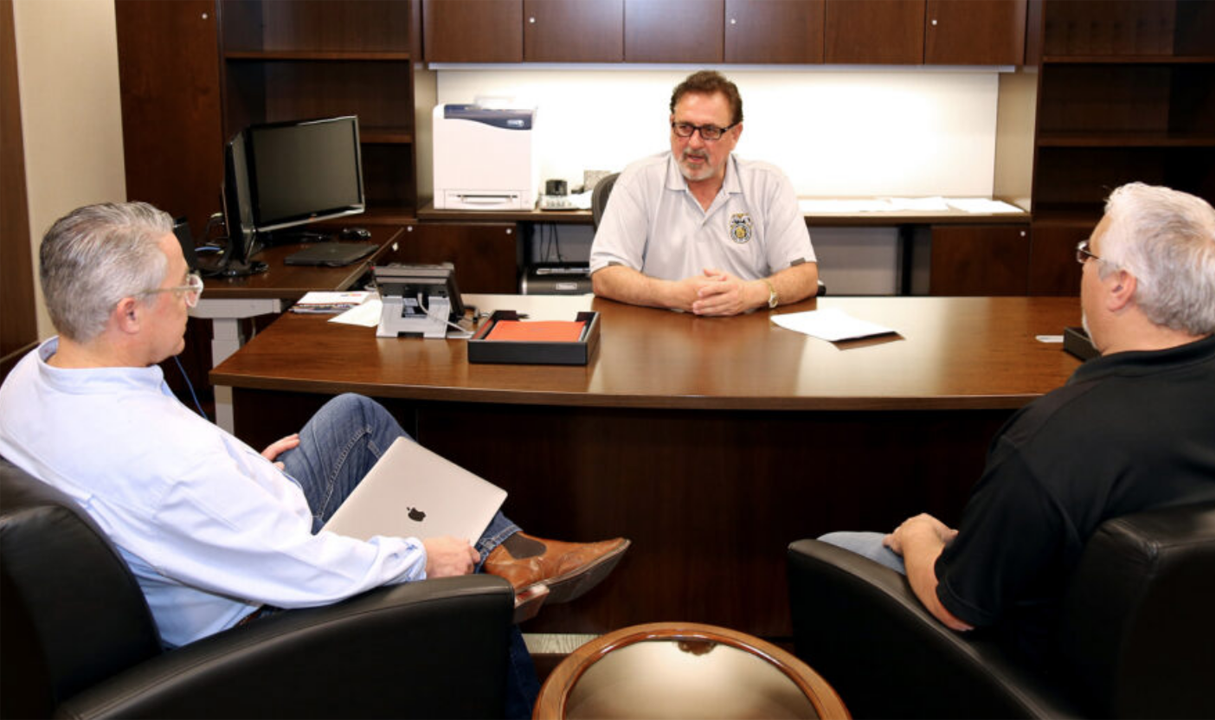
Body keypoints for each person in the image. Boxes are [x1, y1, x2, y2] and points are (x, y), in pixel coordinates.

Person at [0, 201, 631, 717]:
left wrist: (241, 471)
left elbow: (172, 498)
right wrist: (422, 559)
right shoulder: (168, 464)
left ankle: (510, 547)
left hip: (222, 535)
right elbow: (299, 567)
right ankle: (506, 584)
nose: (194, 294)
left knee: (352, 415)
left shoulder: (30, 377)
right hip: (253, 622)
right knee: (469, 590)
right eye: (183, 284)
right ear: (128, 313)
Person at [818, 182, 1215, 665]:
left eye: (1088, 254)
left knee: (834, 549)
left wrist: (917, 535)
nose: (1083, 267)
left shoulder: (1055, 436)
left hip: (1056, 676)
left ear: (1120, 286)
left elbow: (959, 608)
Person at [589, 70, 819, 316]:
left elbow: (805, 276)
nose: (694, 143)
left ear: (735, 135)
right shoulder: (639, 180)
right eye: (685, 127)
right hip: (660, 331)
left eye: (709, 130)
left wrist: (748, 294)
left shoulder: (768, 184)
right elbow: (605, 276)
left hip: (747, 332)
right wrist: (675, 295)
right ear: (671, 124)